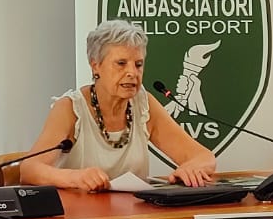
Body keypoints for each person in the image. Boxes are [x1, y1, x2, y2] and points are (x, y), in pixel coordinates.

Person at [19, 19, 218, 190]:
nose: (132, 72)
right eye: (121, 63)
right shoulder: (70, 108)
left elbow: (203, 157)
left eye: (138, 64)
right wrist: (74, 177)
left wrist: (191, 168)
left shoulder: (143, 103)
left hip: (135, 218)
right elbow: (30, 170)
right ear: (95, 65)